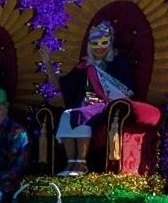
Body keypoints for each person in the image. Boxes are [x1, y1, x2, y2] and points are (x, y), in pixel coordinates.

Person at [56, 20, 135, 175]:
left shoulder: (118, 62)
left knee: (82, 115)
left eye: (103, 42)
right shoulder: (85, 65)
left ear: (110, 43)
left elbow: (128, 89)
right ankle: (71, 163)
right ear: (90, 45)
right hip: (85, 103)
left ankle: (81, 164)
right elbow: (63, 85)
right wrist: (47, 64)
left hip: (105, 105)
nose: (99, 47)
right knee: (66, 115)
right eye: (95, 43)